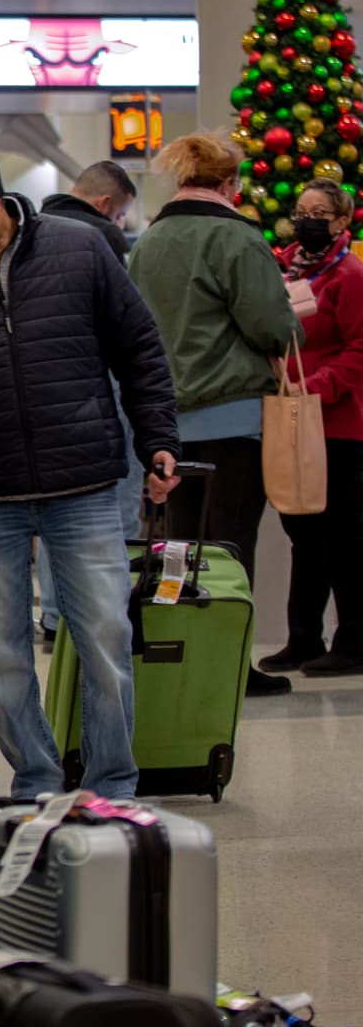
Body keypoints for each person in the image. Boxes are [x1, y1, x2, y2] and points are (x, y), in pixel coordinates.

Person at [0, 137, 181, 801]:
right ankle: (38, 785)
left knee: (105, 637)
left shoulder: (79, 251)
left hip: (85, 486)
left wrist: (159, 439)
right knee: (4, 654)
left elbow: (140, 348)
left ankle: (111, 787)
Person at [128, 131, 302, 697]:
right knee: (231, 546)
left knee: (179, 546)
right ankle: (232, 666)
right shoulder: (236, 238)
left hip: (166, 423)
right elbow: (270, 324)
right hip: (233, 418)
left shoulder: (147, 244)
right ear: (230, 183)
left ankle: (186, 657)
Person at [249, 178, 363, 675]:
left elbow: (360, 351)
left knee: (344, 536)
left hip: (339, 425)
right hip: (293, 420)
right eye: (301, 210)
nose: (307, 220)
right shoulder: (286, 271)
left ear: (342, 222)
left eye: (319, 212)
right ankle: (303, 639)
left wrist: (315, 384)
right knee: (304, 533)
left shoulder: (351, 275)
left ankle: (355, 642)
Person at [34, 160, 144, 646]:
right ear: (105, 205)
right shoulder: (103, 240)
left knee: (50, 511)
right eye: (120, 213)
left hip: (41, 398)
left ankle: (55, 616)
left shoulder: (28, 234)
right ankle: (101, 616)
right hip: (100, 389)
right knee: (110, 508)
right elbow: (127, 330)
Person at [41, 160, 137, 262]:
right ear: (104, 203)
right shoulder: (106, 232)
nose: (120, 223)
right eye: (118, 215)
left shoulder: (33, 224)